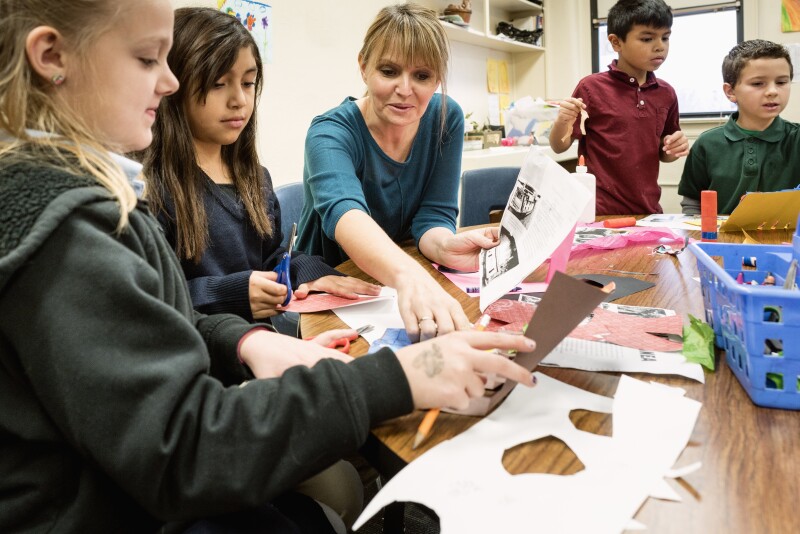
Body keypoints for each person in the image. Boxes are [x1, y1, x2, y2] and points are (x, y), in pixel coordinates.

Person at [0, 1, 538, 532]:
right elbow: (183, 450)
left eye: (249, 82)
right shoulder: (72, 229)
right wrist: (403, 374)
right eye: (147, 60)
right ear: (51, 56)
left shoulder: (105, 195)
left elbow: (171, 318)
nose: (167, 83)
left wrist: (249, 341)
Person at [141, 9, 379, 333]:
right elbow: (151, 298)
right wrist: (233, 294)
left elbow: (270, 258)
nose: (239, 99)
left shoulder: (254, 176)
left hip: (263, 348)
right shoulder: (151, 187)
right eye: (217, 83)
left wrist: (313, 273)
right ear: (173, 86)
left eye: (248, 82)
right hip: (204, 363)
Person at [297, 3, 501, 342]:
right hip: (330, 288)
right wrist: (411, 278)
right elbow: (347, 217)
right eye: (389, 71)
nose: (405, 90)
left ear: (437, 78)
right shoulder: (329, 133)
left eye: (422, 76)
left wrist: (445, 245)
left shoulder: (445, 118)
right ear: (364, 66)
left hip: (399, 277)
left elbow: (433, 215)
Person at [549, 0, 689, 215]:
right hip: (598, 210)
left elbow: (665, 153)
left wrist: (674, 147)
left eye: (665, 37)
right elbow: (559, 146)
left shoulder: (666, 93)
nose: (660, 45)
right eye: (647, 38)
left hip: (648, 210)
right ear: (616, 42)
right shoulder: (591, 87)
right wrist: (562, 121)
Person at [678, 39, 800, 215]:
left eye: (781, 82)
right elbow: (692, 202)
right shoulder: (707, 143)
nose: (773, 91)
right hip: (720, 239)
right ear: (731, 92)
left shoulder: (796, 139)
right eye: (758, 84)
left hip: (785, 240)